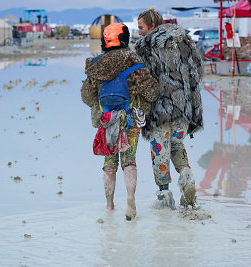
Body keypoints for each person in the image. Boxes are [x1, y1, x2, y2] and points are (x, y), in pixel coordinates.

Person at [81, 23, 159, 220]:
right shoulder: (134, 61)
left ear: (105, 41)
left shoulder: (96, 64)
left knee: (109, 163)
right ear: (124, 39)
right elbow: (152, 92)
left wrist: (101, 109)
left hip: (106, 120)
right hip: (130, 119)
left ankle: (109, 206)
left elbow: (86, 96)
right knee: (129, 161)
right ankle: (131, 199)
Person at [135, 8, 204, 209]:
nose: (139, 32)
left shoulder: (145, 47)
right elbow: (197, 72)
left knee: (159, 151)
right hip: (184, 108)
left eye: (141, 27)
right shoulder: (186, 42)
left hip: (159, 111)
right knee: (177, 146)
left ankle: (164, 195)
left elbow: (141, 82)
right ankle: (187, 179)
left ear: (152, 26)